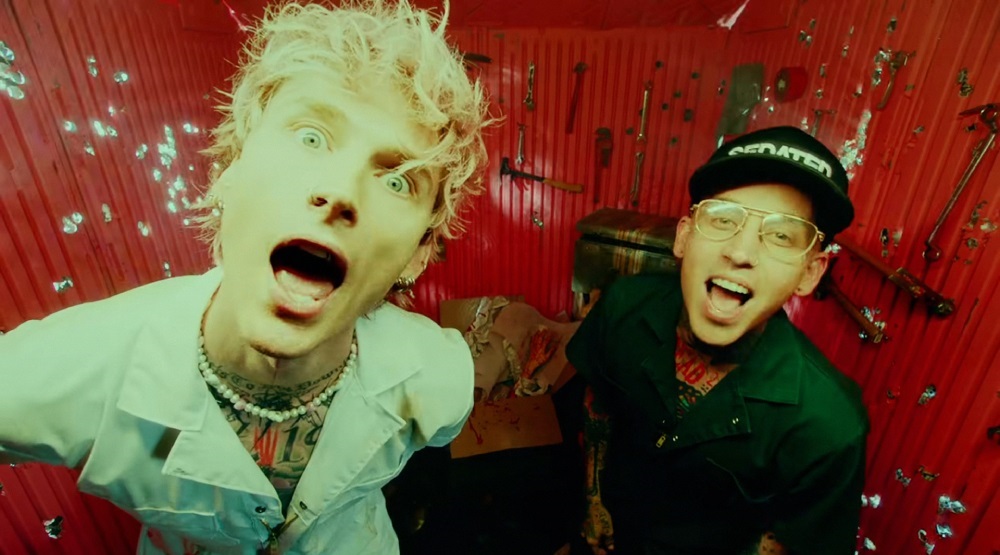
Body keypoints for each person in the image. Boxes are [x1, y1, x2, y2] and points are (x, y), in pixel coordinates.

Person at [0, 0, 490, 553]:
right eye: (311, 137)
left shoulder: (437, 379)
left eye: (398, 181)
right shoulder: (79, 372)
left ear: (418, 254)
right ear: (226, 172)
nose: (341, 193)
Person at [567, 126, 870, 555]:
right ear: (685, 236)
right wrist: (594, 502)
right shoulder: (623, 307)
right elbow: (597, 404)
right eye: (724, 220)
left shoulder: (829, 423)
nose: (741, 253)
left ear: (810, 273)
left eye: (781, 236)